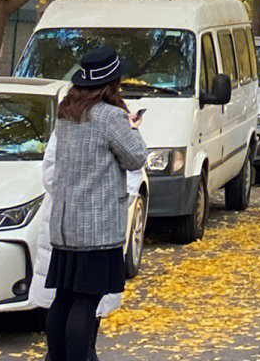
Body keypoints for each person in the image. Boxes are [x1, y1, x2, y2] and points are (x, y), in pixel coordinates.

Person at [44, 47, 148, 361]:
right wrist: (132, 125)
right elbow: (136, 157)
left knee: (63, 298)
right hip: (97, 227)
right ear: (112, 82)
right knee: (86, 302)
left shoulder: (67, 111)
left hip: (65, 223)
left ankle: (56, 357)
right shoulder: (111, 116)